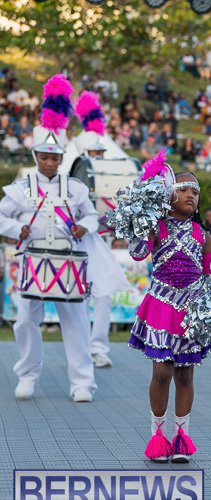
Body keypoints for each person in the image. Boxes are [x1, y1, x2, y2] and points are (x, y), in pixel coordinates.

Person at [0, 76, 99, 402]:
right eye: (44, 157)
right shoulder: (20, 188)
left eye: (55, 157)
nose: (50, 162)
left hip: (68, 260)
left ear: (61, 159)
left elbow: (92, 215)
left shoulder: (76, 187)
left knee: (76, 321)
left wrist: (84, 226)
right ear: (36, 157)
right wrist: (17, 230)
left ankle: (82, 382)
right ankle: (28, 375)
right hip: (32, 260)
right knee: (26, 319)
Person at [127, 159, 211, 463]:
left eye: (195, 191)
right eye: (183, 189)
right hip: (161, 305)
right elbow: (137, 252)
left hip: (191, 311)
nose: (190, 195)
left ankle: (182, 438)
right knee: (161, 372)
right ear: (168, 194)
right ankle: (158, 437)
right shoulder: (158, 228)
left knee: (184, 374)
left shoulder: (203, 235)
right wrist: (139, 226)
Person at [74, 91, 134, 368]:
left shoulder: (108, 176)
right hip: (74, 242)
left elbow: (112, 212)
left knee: (104, 293)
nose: (99, 157)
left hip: (98, 242)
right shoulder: (71, 175)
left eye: (100, 152)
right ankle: (78, 347)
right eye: (94, 153)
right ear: (84, 155)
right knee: (75, 297)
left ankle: (98, 348)